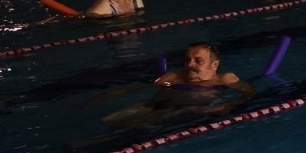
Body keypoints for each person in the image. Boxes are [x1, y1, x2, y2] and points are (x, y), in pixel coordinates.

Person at [102, 42, 255, 126]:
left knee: (134, 127)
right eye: (187, 59)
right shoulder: (174, 76)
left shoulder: (225, 79)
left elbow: (249, 93)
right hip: (151, 104)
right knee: (107, 120)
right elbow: (141, 87)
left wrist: (231, 105)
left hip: (186, 109)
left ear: (214, 65)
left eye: (198, 61)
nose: (190, 64)